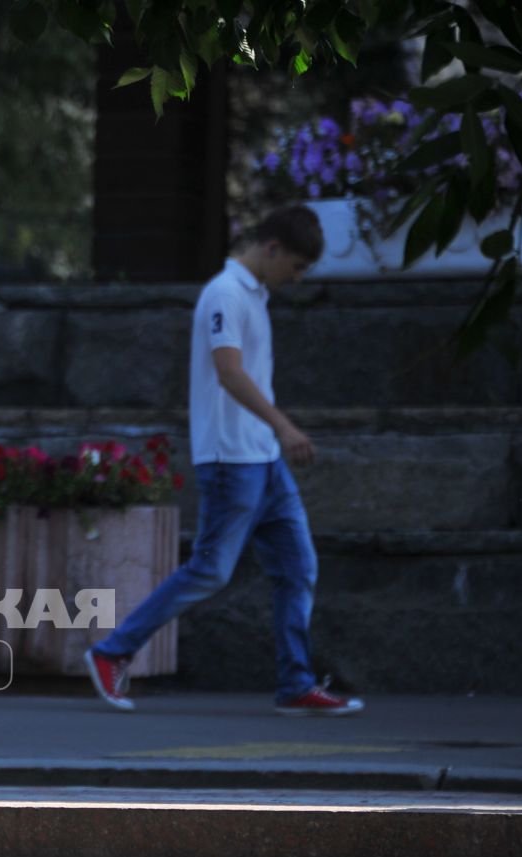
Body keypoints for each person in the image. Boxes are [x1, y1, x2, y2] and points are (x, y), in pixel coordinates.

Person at [84, 205, 363, 718]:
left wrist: (273, 437)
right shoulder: (225, 294)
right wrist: (284, 425)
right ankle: (112, 651)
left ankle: (295, 683)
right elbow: (229, 372)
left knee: (298, 566)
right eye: (296, 266)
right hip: (232, 459)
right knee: (210, 570)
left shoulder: (252, 295)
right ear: (272, 248)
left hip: (263, 458)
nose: (297, 279)